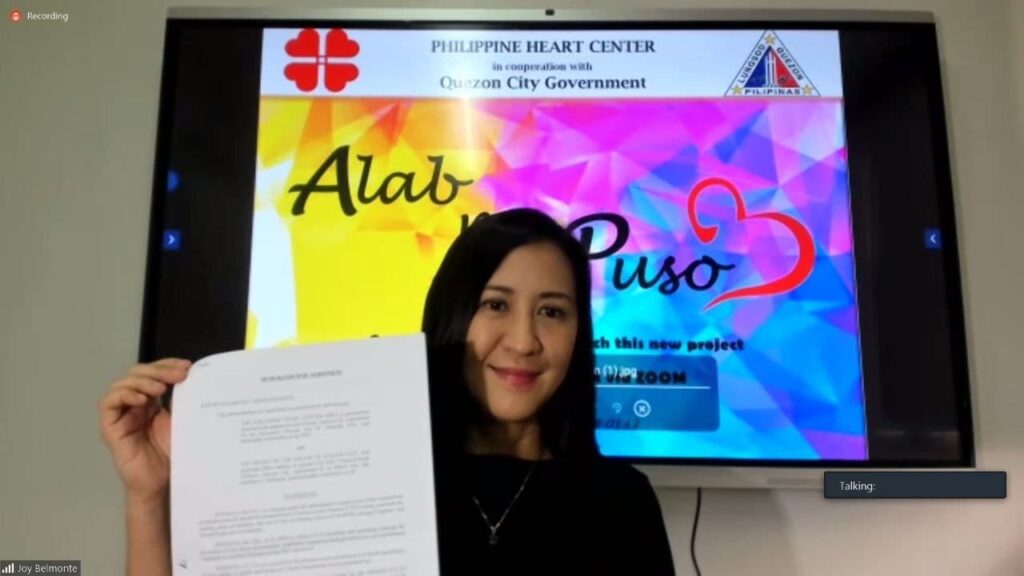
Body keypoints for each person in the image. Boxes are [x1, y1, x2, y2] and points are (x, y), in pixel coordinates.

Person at [100, 207, 676, 575]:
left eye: (552, 311)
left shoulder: (621, 503)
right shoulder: (363, 474)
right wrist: (148, 497)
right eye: (495, 305)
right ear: (452, 316)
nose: (524, 341)